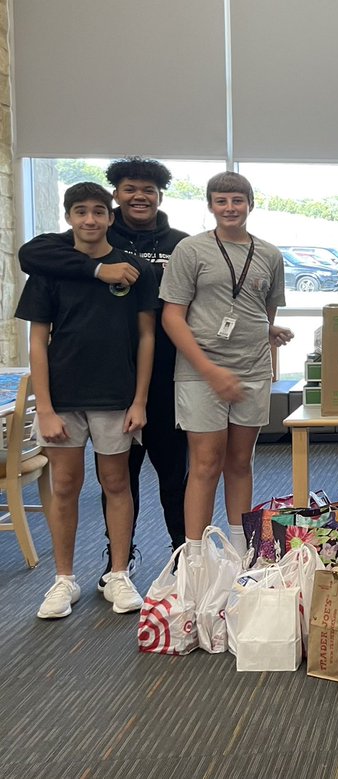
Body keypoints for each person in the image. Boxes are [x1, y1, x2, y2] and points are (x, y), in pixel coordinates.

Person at [19, 158, 190, 588]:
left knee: (174, 473)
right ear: (116, 196)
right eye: (130, 188)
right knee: (116, 477)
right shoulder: (92, 236)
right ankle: (119, 563)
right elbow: (29, 255)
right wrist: (98, 268)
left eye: (148, 190)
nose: (139, 196)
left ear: (160, 196)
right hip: (103, 381)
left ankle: (184, 556)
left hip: (165, 376)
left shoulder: (180, 244)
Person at [159, 172, 293, 562]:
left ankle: (240, 549)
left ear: (250, 203)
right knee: (206, 463)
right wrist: (210, 370)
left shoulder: (270, 254)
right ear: (210, 206)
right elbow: (172, 317)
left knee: (240, 461)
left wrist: (269, 330)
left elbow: (262, 310)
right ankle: (196, 556)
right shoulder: (191, 250)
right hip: (200, 372)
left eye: (237, 200)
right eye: (221, 201)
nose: (230, 208)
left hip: (251, 371)